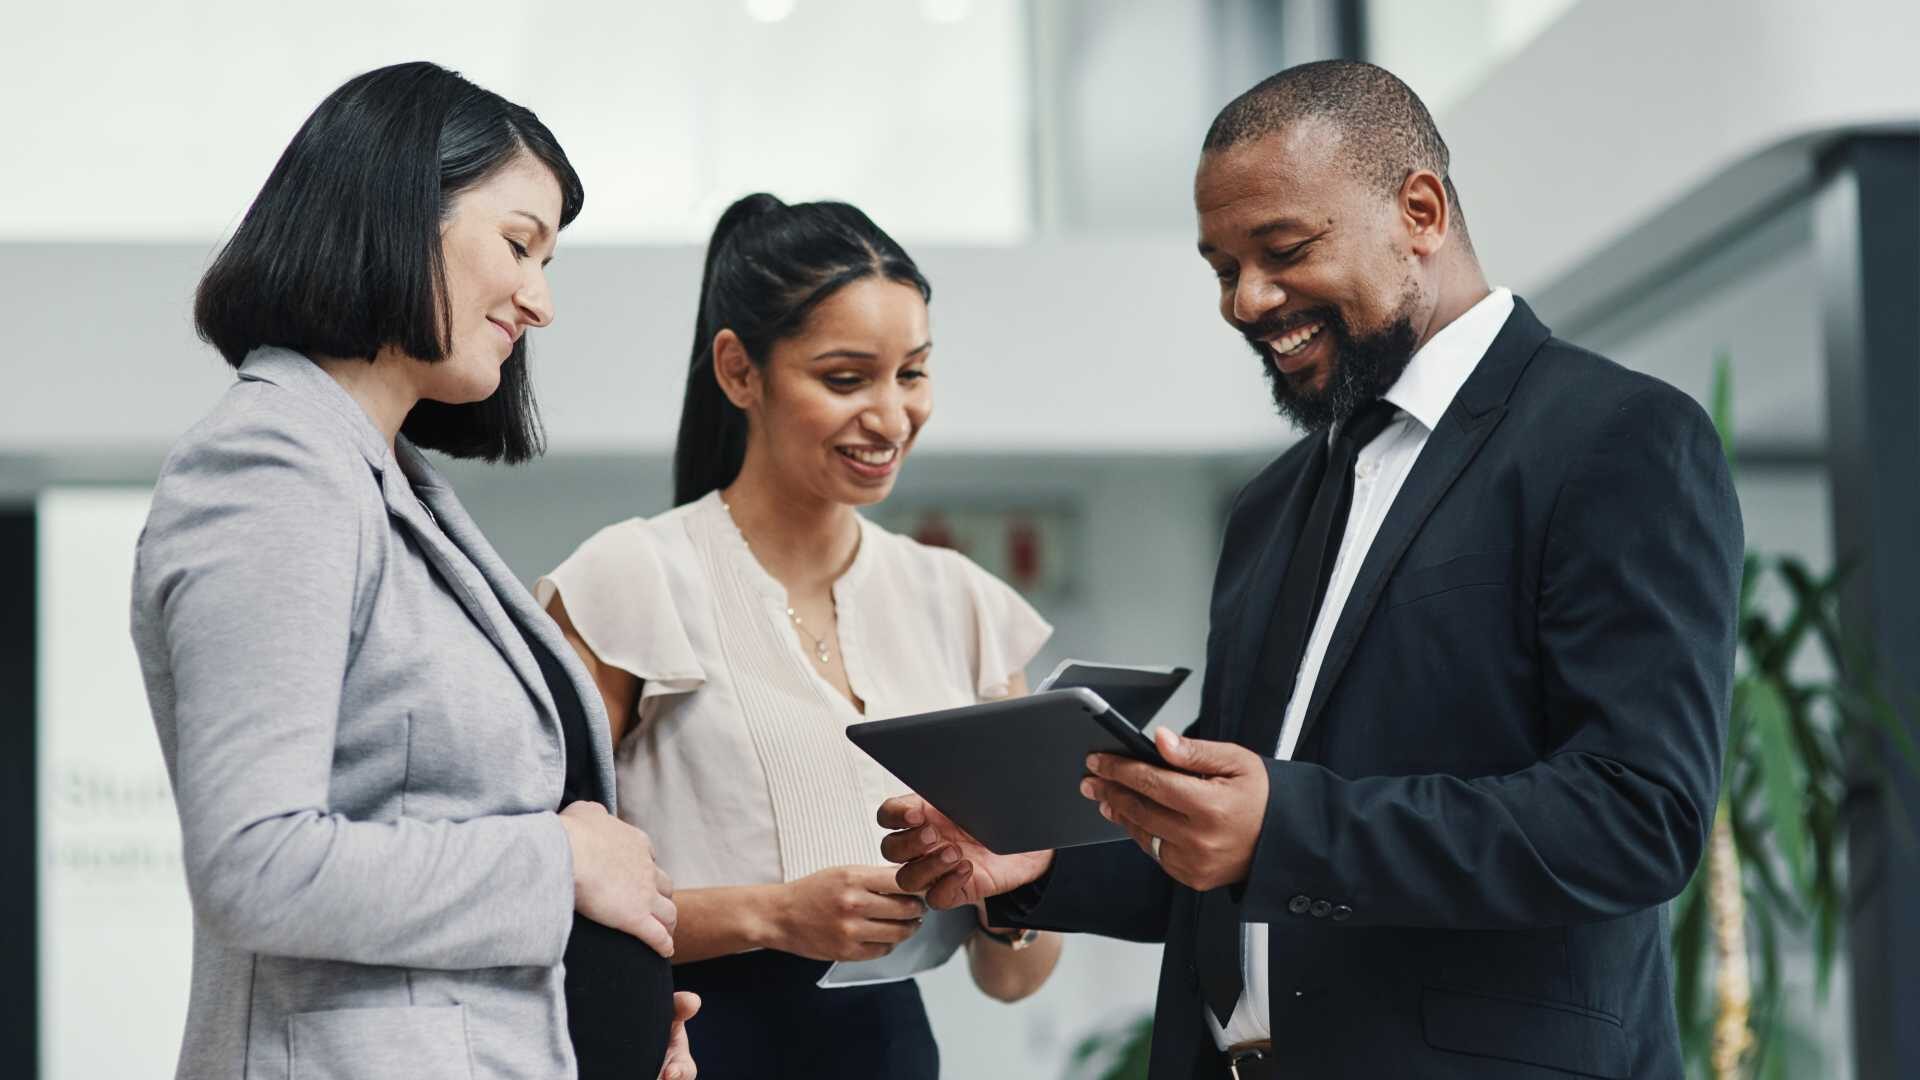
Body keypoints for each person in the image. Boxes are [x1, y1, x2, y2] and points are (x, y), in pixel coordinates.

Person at [883, 60, 1743, 1079]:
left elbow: (1637, 815)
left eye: (1283, 251)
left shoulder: (1618, 441)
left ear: (1419, 210)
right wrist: (1037, 868)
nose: (1247, 300)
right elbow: (1227, 842)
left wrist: (1287, 827)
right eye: (1221, 269)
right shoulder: (1273, 505)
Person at [130, 62, 695, 1080]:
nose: (542, 301)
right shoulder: (270, 468)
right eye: (520, 244)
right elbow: (259, 867)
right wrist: (559, 864)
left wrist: (583, 1019)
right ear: (397, 210)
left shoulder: (390, 480)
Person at [537, 193, 1063, 1079]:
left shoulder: (965, 605)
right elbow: (542, 890)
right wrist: (775, 915)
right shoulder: (627, 579)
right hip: (686, 1048)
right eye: (847, 379)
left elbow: (1013, 980)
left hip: (894, 1050)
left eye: (914, 373)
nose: (892, 417)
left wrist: (1014, 901)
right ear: (740, 372)